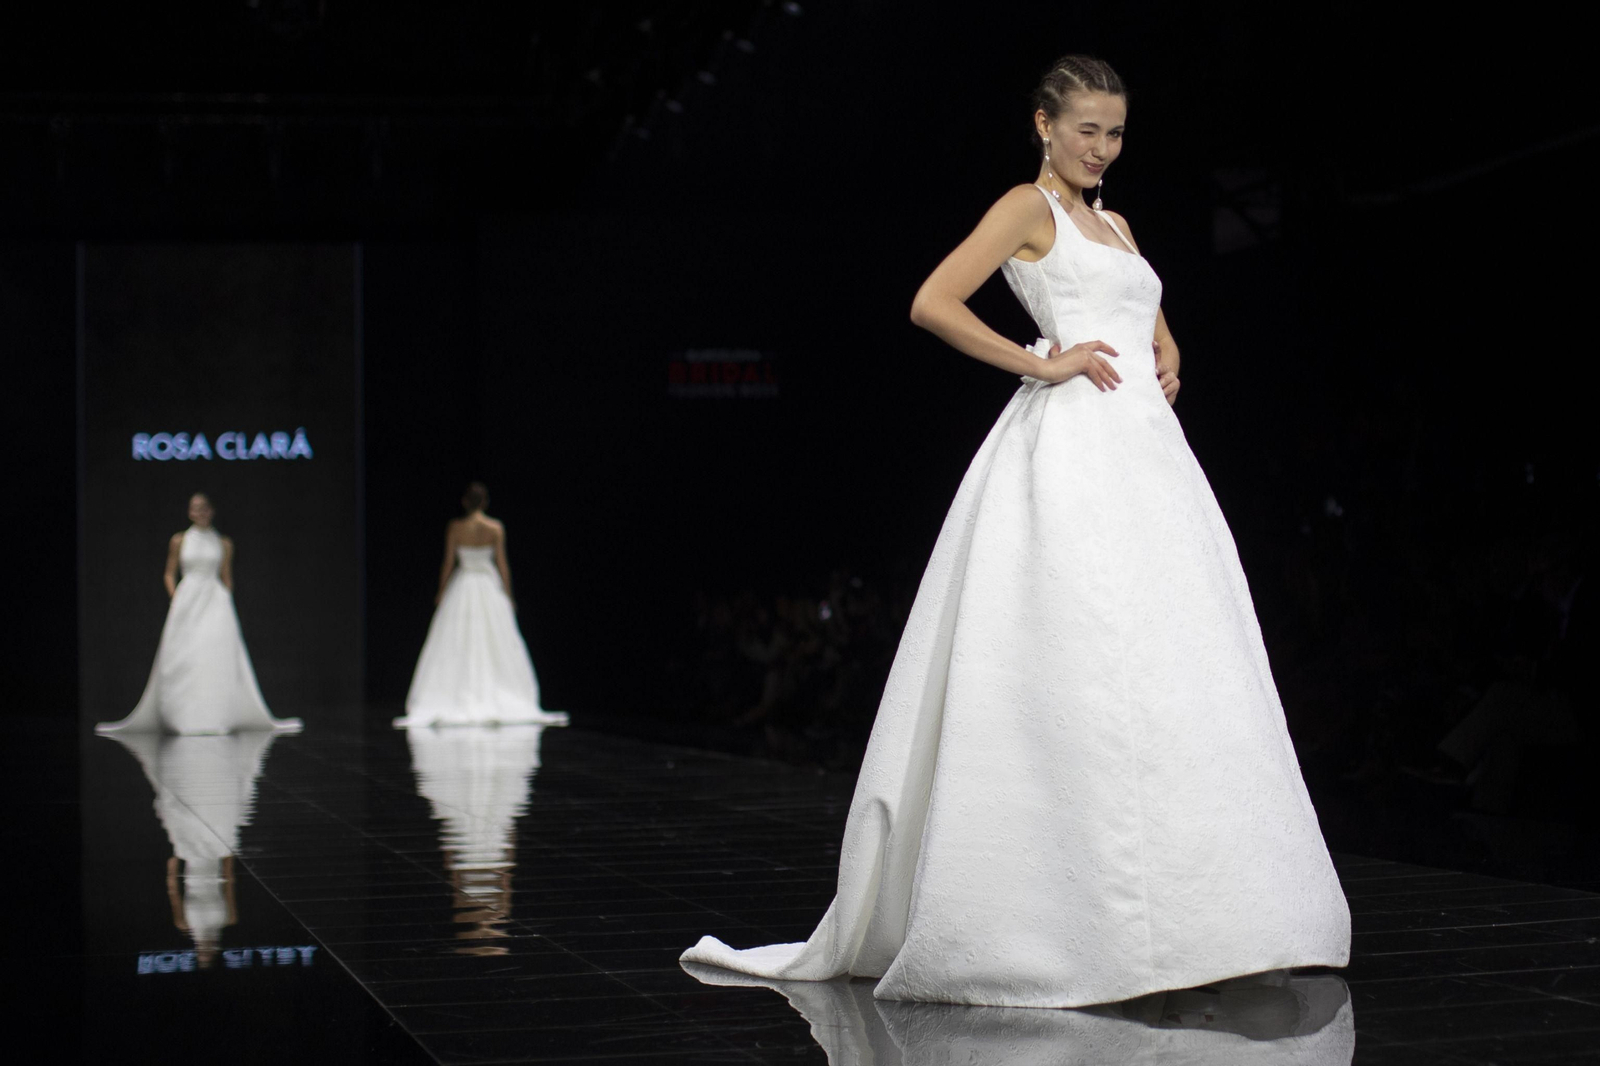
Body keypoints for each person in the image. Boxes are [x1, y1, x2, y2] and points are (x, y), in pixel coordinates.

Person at [683, 55, 1350, 1008]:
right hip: (1072, 452)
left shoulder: (1114, 222)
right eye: (1085, 128)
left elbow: (1136, 302)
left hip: (1151, 462)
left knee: (1178, 662)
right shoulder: (1024, 208)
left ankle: (1220, 915)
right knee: (1080, 658)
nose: (1101, 147)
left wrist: (1168, 343)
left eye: (1115, 132)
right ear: (1044, 123)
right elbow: (932, 302)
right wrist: (1040, 365)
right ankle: (1076, 917)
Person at [97, 493, 301, 735]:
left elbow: (227, 577)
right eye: (195, 508)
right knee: (184, 656)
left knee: (215, 654)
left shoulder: (224, 542)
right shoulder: (180, 540)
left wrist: (225, 601)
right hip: (188, 599)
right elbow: (169, 572)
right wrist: (176, 597)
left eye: (204, 508)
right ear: (189, 512)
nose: (200, 512)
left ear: (212, 510)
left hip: (215, 600)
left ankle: (216, 715)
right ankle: (183, 715)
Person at [395, 482, 569, 727]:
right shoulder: (494, 528)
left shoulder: (457, 527)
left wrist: (441, 591)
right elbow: (502, 564)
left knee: (459, 639)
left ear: (465, 502)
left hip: (464, 584)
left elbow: (448, 563)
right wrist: (508, 595)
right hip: (488, 586)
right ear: (485, 502)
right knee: (492, 639)